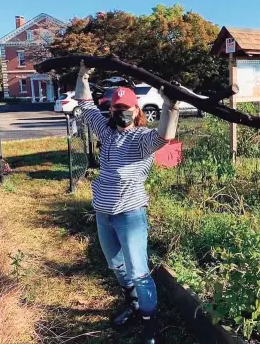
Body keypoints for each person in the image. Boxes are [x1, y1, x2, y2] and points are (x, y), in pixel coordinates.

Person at [74, 60, 179, 344]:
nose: (120, 112)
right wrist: (83, 75)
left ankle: (150, 325)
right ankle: (133, 305)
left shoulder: (141, 139)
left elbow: (165, 136)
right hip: (103, 214)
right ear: (111, 109)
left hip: (130, 214)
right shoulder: (106, 132)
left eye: (126, 109)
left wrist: (171, 106)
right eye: (116, 108)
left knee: (138, 270)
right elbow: (84, 104)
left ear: (136, 110)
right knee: (117, 266)